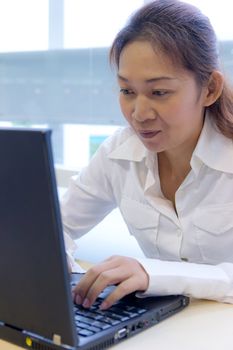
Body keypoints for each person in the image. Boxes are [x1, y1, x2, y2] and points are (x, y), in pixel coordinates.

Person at [61, 0, 233, 310]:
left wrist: (154, 273)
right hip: (165, 328)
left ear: (209, 89)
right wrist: (60, 270)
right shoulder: (119, 153)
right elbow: (56, 225)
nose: (138, 114)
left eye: (159, 92)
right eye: (127, 91)